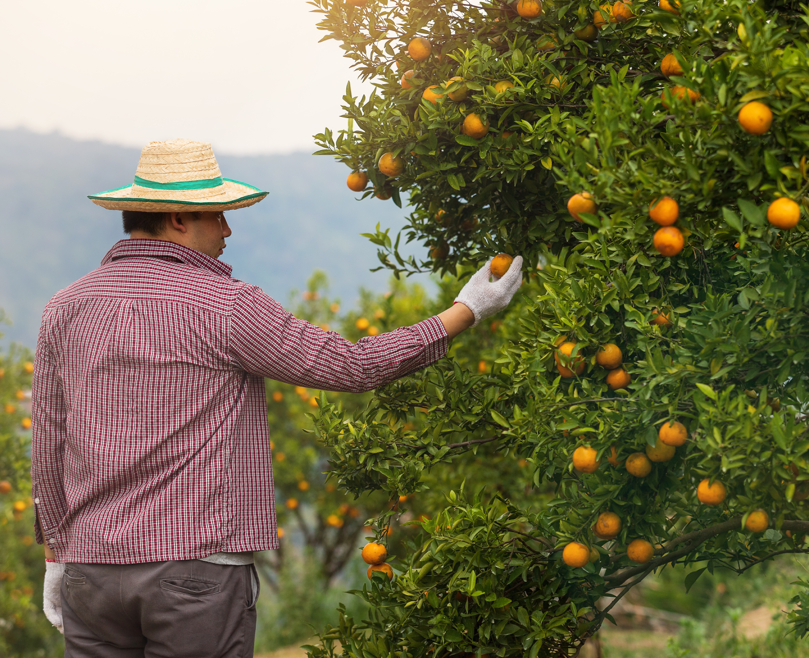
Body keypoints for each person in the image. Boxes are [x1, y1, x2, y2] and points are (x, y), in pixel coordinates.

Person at [30, 138, 523, 657]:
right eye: (217, 215)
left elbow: (49, 442)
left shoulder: (64, 308)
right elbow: (352, 365)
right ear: (178, 218)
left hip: (91, 574)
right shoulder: (226, 306)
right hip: (193, 571)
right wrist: (466, 310)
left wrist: (56, 554)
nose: (227, 229)